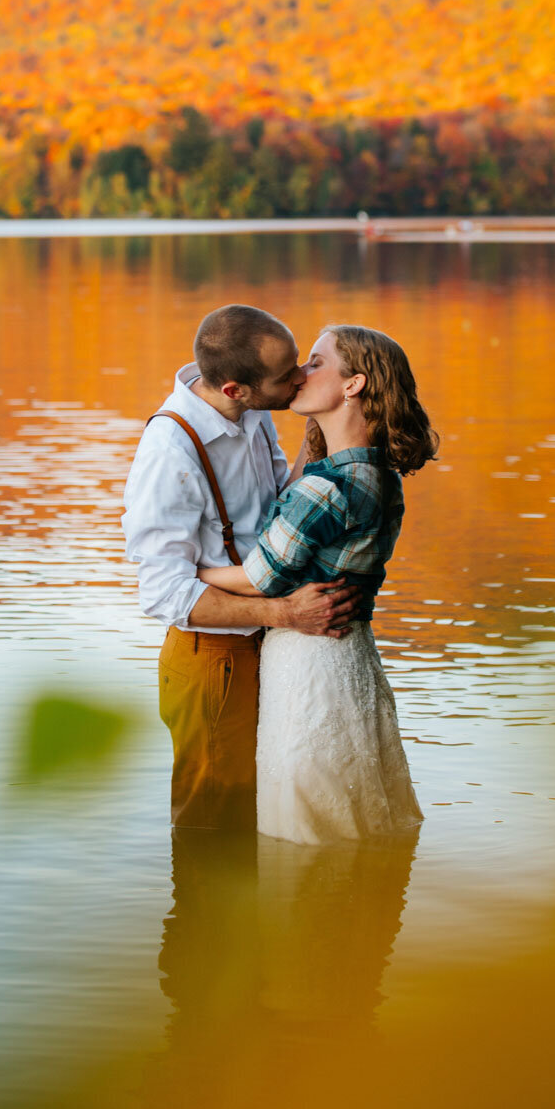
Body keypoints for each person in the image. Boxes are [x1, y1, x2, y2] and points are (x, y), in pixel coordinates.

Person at [122, 304, 361, 832]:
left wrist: (321, 429)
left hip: (268, 641)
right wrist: (286, 614)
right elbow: (165, 593)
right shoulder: (170, 451)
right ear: (237, 389)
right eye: (286, 376)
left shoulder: (251, 414)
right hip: (214, 659)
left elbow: (279, 503)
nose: (301, 377)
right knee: (214, 828)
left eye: (300, 362)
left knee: (265, 817)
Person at [197, 324, 437, 844]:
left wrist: (184, 570)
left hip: (309, 664)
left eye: (316, 362)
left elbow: (262, 577)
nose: (299, 373)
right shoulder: (377, 473)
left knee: (305, 828)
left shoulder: (327, 487)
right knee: (358, 812)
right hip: (352, 657)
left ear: (354, 385)